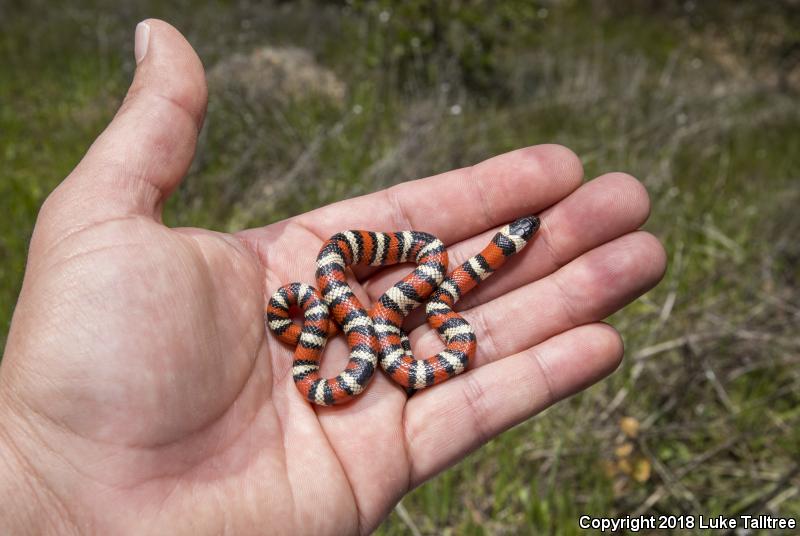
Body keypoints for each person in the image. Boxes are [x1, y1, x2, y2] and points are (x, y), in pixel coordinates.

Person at [0, 20, 666, 534]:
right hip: (363, 324)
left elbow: (405, 308)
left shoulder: (425, 277)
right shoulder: (419, 286)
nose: (513, 241)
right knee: (398, 293)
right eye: (512, 239)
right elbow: (383, 313)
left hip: (369, 323)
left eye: (510, 240)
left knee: (411, 285)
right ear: (504, 251)